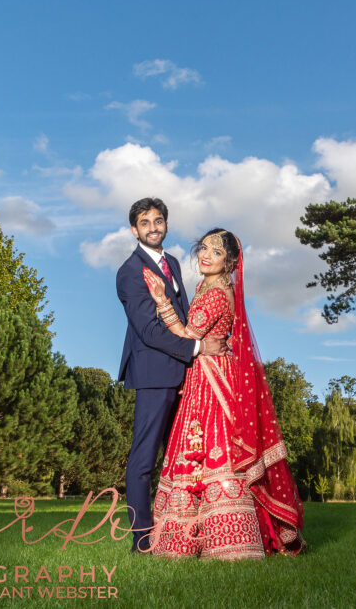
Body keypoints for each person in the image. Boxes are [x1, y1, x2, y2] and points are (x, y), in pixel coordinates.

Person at [142, 228, 305, 559]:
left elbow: (188, 336)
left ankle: (225, 542)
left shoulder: (215, 294)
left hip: (211, 380)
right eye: (203, 248)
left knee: (208, 448)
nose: (205, 255)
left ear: (229, 262)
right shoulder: (209, 286)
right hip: (213, 371)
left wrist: (161, 300)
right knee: (209, 449)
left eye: (215, 252)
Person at [116, 198, 228, 554]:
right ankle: (141, 540)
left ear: (166, 224)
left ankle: (182, 533)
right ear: (134, 230)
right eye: (145, 222)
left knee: (181, 458)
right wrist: (198, 349)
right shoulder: (129, 272)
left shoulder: (174, 263)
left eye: (158, 220)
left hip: (186, 375)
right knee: (144, 459)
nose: (153, 227)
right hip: (154, 374)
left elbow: (179, 315)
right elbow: (149, 331)